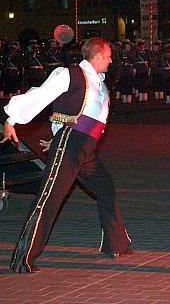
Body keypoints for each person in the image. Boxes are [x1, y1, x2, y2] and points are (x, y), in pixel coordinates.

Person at [2, 37, 132, 273]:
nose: (112, 60)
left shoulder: (98, 82)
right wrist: (12, 119)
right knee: (49, 198)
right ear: (98, 56)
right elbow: (41, 96)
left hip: (84, 149)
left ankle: (116, 244)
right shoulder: (70, 74)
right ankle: (23, 259)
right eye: (109, 56)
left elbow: (79, 114)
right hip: (70, 146)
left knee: (106, 187)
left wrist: (55, 134)